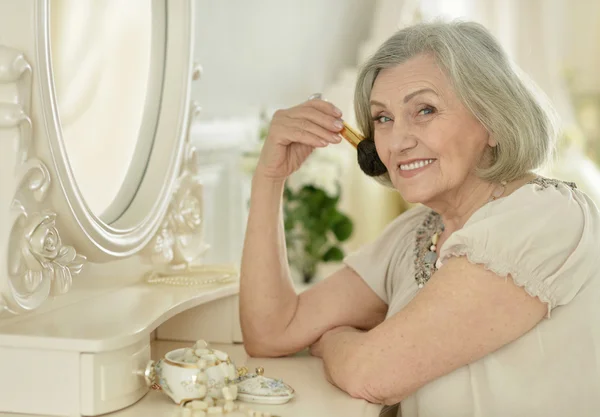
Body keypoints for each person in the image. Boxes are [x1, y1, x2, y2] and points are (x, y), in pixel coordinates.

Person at [239, 20, 600, 417]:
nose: (397, 141)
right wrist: (269, 179)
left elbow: (370, 373)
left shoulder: (544, 217)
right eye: (383, 118)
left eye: (424, 110)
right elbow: (274, 331)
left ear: (492, 121)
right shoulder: (419, 233)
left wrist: (335, 339)